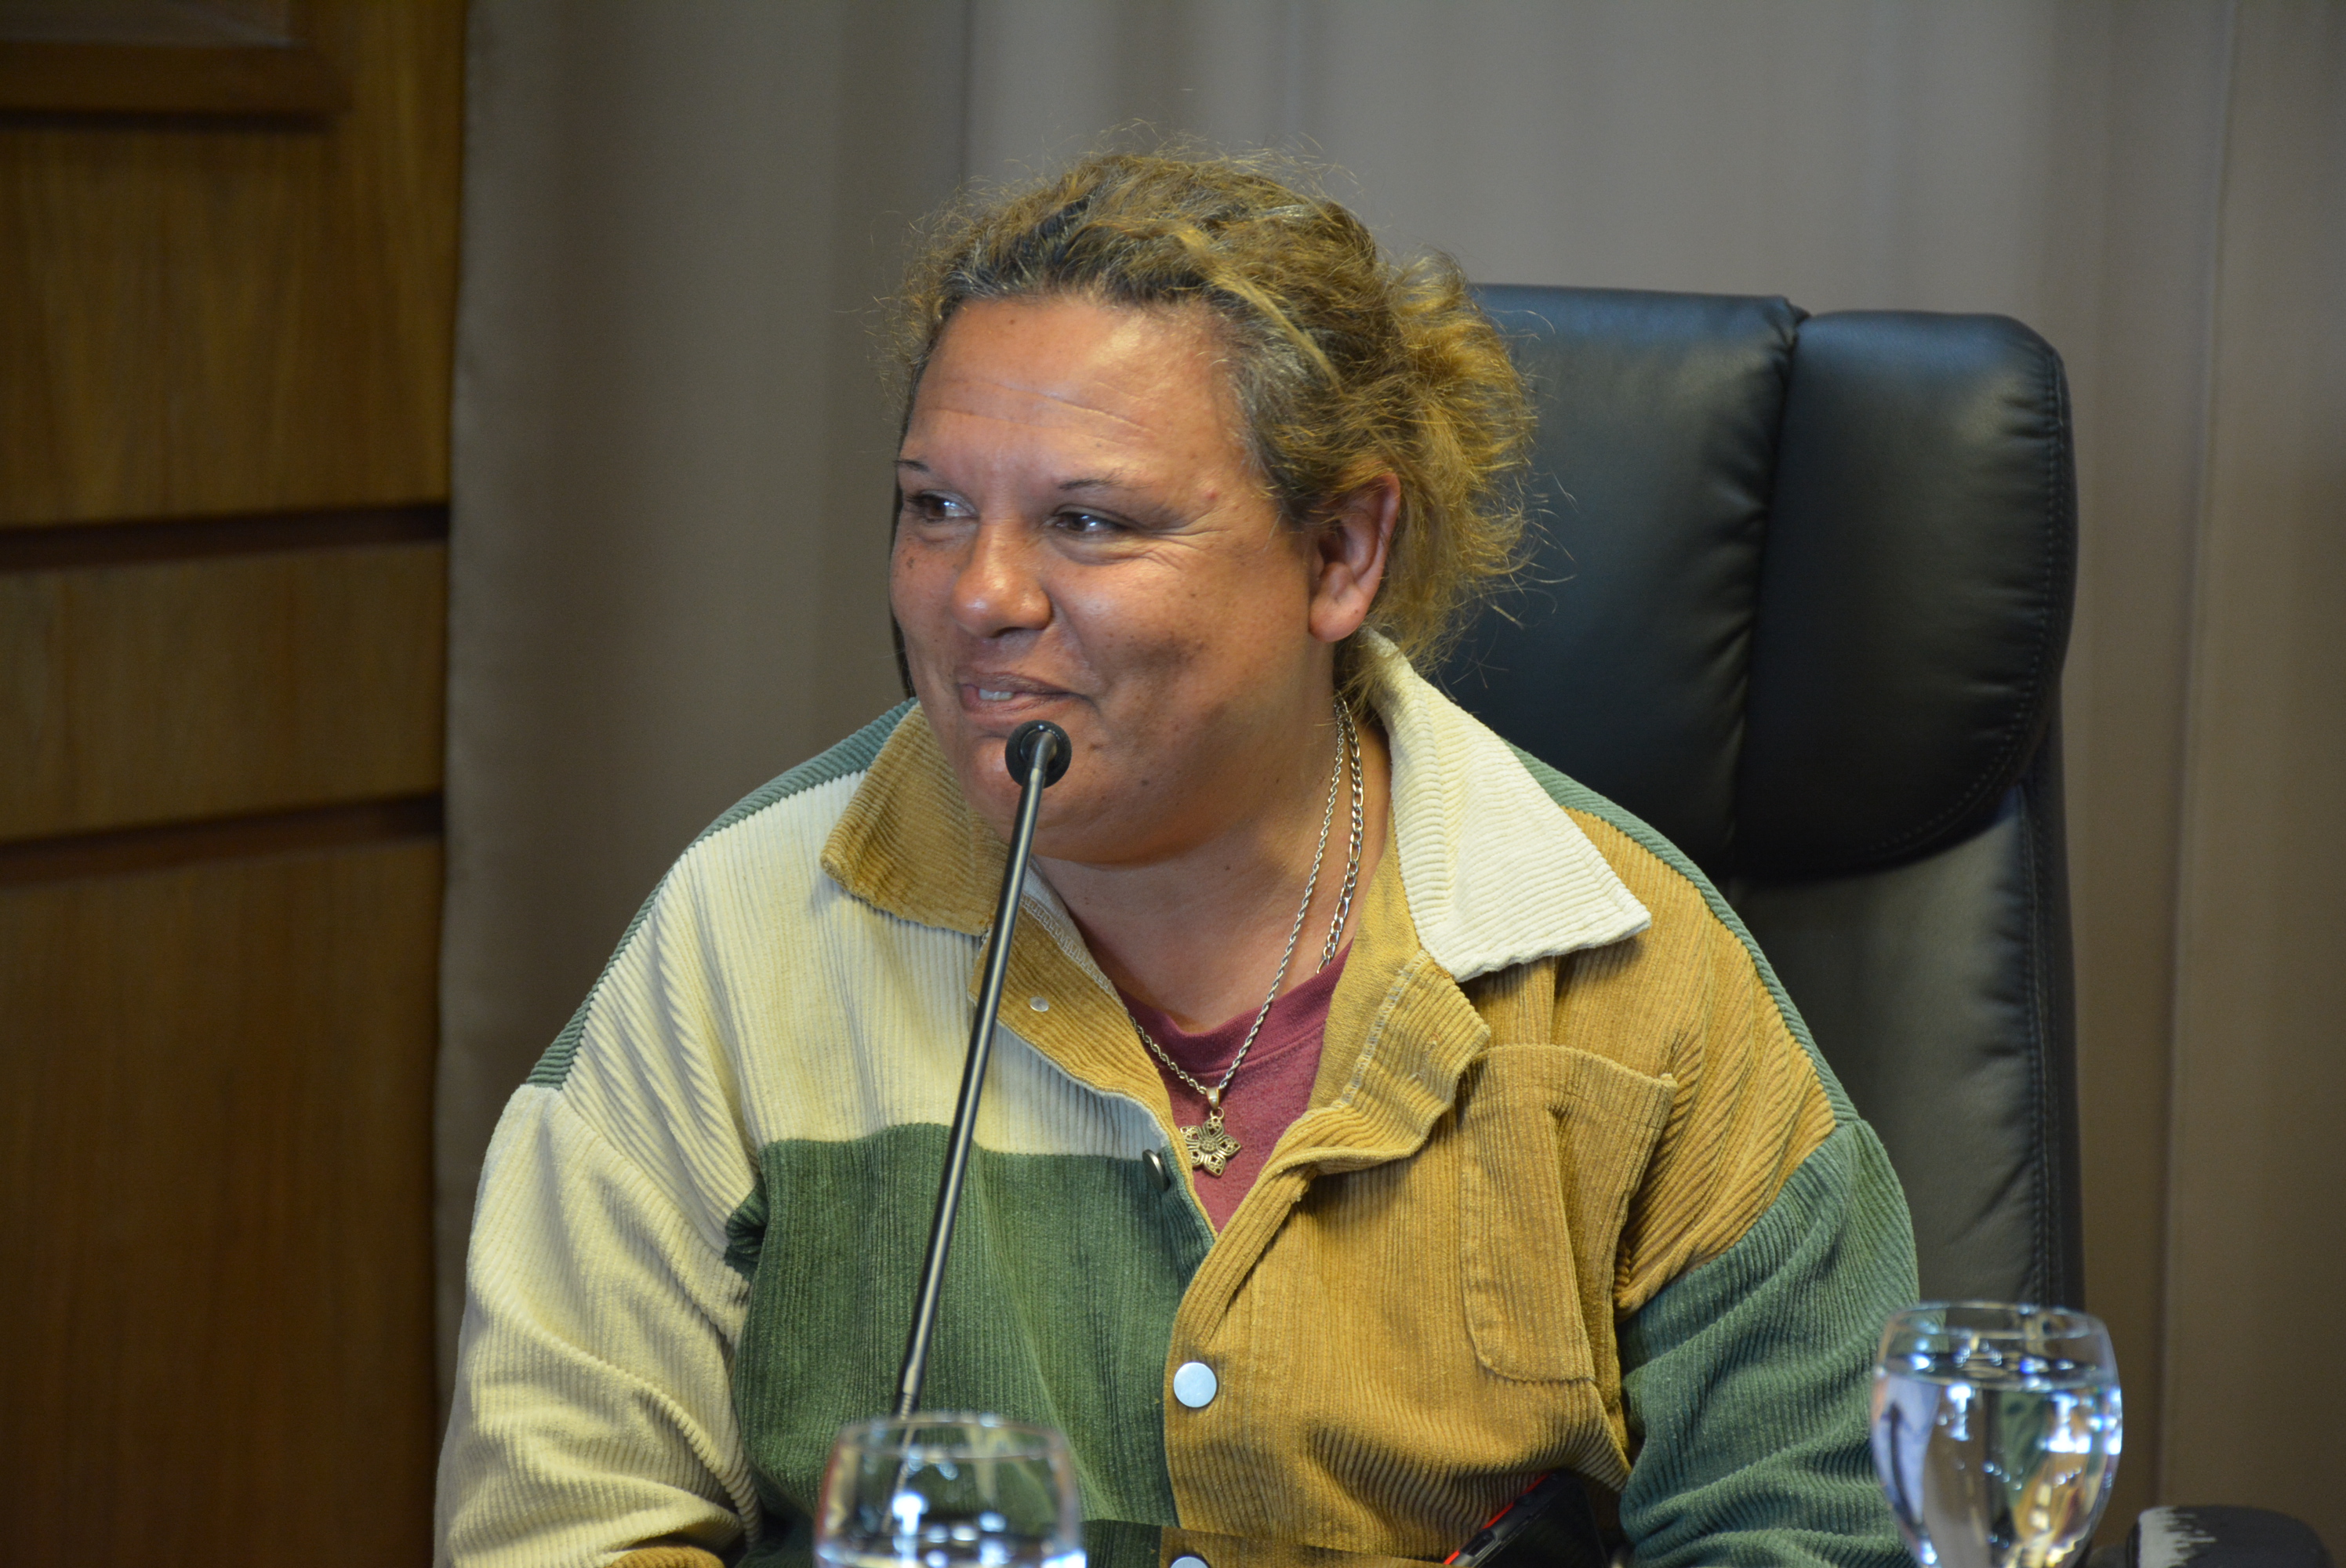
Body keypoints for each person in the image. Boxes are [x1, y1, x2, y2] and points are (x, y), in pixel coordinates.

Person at [436, 149, 1918, 1568]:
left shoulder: (1635, 975)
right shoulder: (740, 932)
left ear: (1341, 553)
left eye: (1087, 521)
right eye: (933, 507)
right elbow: (560, 1532)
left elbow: (1825, 1533)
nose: (978, 595)